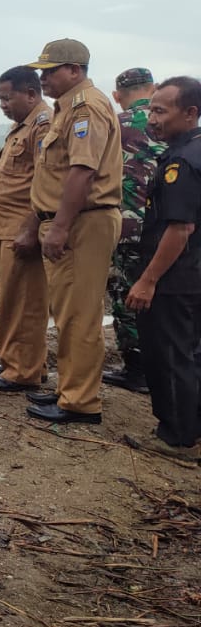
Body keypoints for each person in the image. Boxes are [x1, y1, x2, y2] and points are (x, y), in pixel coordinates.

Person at [19, 39, 122, 424]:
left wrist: (59, 227)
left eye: (51, 71)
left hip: (84, 221)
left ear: (75, 70)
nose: (43, 78)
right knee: (68, 313)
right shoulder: (67, 109)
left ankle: (80, 401)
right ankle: (70, 390)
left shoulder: (86, 108)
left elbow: (82, 171)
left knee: (79, 315)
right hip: (73, 220)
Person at [127, 76, 201, 463]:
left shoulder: (181, 162)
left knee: (169, 356)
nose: (152, 119)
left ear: (190, 113)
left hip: (175, 277)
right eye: (151, 109)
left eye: (160, 110)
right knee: (190, 353)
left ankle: (177, 437)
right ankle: (192, 427)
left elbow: (179, 228)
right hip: (193, 274)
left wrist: (148, 279)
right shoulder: (192, 150)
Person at [0, 67, 51, 392]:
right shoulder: (21, 128)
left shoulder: (42, 125)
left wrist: (30, 228)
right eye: (0, 99)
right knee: (11, 299)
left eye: (7, 98)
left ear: (31, 94)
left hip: (23, 228)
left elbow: (46, 181)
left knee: (24, 302)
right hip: (6, 228)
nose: (3, 105)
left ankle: (22, 370)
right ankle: (23, 361)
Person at [103, 67, 164, 393]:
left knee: (128, 295)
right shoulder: (171, 124)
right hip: (172, 227)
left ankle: (137, 369)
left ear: (117, 96)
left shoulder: (116, 124)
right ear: (153, 88)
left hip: (128, 227)